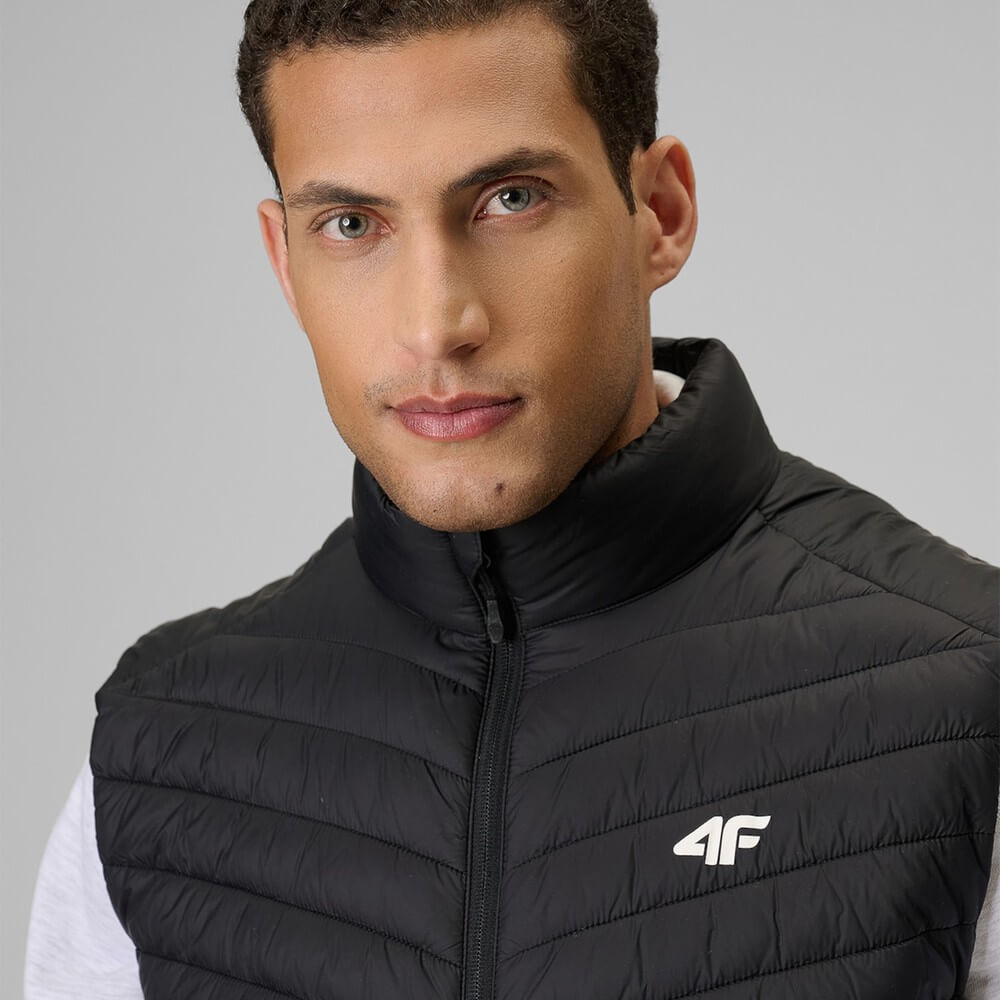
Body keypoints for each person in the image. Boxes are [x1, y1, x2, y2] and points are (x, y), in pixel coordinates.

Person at [24, 1, 999, 998]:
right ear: (285, 261)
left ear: (659, 214)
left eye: (511, 199)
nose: (437, 323)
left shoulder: (962, 696)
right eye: (351, 224)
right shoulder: (163, 746)